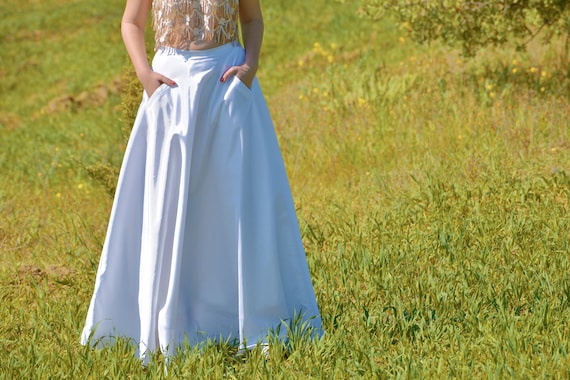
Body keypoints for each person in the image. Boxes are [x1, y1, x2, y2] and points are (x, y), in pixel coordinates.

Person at [81, 0, 323, 363]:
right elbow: (131, 22)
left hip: (227, 84)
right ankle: (171, 323)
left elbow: (253, 18)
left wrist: (250, 66)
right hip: (170, 89)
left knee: (236, 204)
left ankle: (245, 320)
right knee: (170, 208)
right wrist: (145, 74)